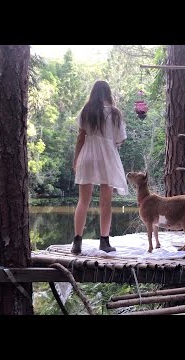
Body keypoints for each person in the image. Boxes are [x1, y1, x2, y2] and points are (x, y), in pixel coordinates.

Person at [71, 80, 128, 254]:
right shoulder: (115, 114)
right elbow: (119, 140)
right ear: (108, 93)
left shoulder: (86, 111)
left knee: (83, 200)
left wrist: (76, 160)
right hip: (107, 158)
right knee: (106, 202)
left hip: (87, 155)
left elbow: (81, 138)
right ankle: (104, 241)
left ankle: (77, 242)